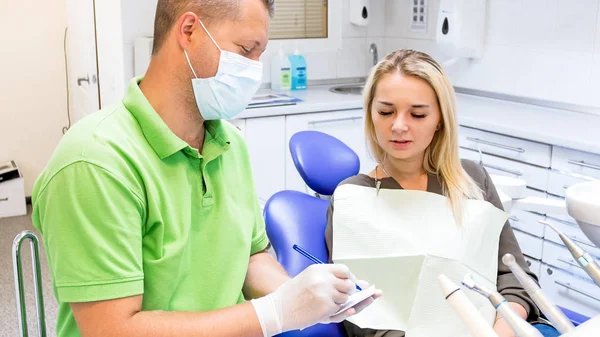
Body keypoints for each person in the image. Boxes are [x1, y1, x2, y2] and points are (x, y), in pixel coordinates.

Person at [32, 1, 379, 337]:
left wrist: (303, 295)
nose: (255, 71)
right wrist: (274, 313)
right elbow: (113, 330)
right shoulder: (95, 162)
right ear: (189, 30)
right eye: (246, 50)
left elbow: (250, 256)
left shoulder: (228, 143)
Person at [325, 49, 560, 337]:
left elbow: (514, 277)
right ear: (371, 114)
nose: (399, 125)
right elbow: (366, 317)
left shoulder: (472, 180)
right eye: (386, 112)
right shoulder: (353, 200)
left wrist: (501, 331)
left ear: (440, 119)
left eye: (418, 113)